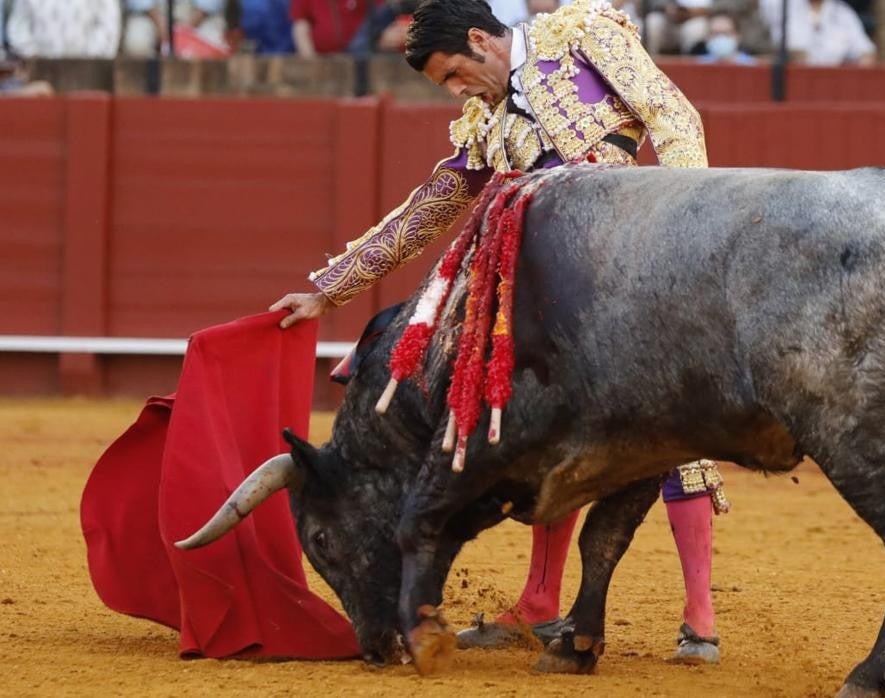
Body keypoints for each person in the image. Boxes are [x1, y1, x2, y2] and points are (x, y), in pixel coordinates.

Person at [269, 0, 726, 665]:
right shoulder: (484, 119)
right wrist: (328, 289)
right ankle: (541, 600)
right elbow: (433, 204)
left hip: (632, 263)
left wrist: (682, 236)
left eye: (454, 74)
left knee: (677, 429)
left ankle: (700, 621)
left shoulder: (580, 35)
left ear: (481, 40)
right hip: (545, 291)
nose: (457, 93)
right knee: (543, 433)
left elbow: (672, 114)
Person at [759, 0, 876, 66]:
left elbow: (866, 51)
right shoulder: (780, 7)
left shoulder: (843, 13)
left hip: (832, 83)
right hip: (791, 81)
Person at [5, 0, 122, 59]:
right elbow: (18, 27)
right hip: (39, 72)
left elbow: (109, 27)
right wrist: (33, 54)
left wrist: (88, 60)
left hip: (90, 71)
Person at [290, 0, 378, 56]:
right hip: (322, 60)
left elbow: (382, 13)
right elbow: (300, 24)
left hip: (362, 59)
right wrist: (310, 60)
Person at [693, 11, 757, 64]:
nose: (720, 38)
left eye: (726, 33)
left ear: (738, 35)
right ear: (706, 37)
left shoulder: (752, 65)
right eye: (715, 33)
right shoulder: (698, 64)